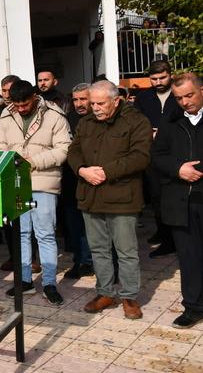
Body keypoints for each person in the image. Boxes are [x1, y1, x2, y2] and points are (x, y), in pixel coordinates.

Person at [68, 80, 152, 320]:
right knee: (98, 249)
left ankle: (129, 296)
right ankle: (105, 293)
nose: (95, 107)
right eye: (92, 102)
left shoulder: (136, 121)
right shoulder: (86, 123)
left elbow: (141, 157)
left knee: (126, 251)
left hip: (122, 197)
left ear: (116, 101)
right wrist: (82, 170)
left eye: (100, 103)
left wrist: (106, 171)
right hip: (90, 195)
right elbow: (73, 151)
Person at [0, 80, 70, 305]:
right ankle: (24, 281)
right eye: (17, 104)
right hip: (16, 184)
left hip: (44, 183)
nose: (21, 108)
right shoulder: (6, 116)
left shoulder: (55, 115)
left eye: (25, 104)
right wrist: (14, 162)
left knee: (45, 234)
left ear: (35, 97)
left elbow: (64, 148)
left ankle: (49, 283)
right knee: (21, 234)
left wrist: (33, 162)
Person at [151, 73, 203, 328]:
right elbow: (157, 156)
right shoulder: (170, 120)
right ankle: (194, 307)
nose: (184, 102)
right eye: (179, 98)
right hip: (181, 202)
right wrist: (178, 168)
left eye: (189, 95)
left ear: (202, 90)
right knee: (189, 257)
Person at [135, 60, 180, 258]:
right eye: (154, 79)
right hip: (151, 154)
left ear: (171, 75)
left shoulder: (179, 94)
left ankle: (173, 238)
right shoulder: (144, 97)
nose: (158, 82)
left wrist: (162, 132)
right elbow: (137, 120)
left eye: (162, 77)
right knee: (156, 196)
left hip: (176, 152)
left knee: (173, 196)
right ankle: (163, 234)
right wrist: (148, 133)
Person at [61, 84, 95, 279]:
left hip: (93, 182)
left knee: (94, 227)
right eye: (75, 100)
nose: (79, 104)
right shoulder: (67, 120)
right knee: (75, 226)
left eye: (83, 99)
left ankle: (94, 261)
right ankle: (80, 261)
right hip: (70, 182)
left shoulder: (98, 119)